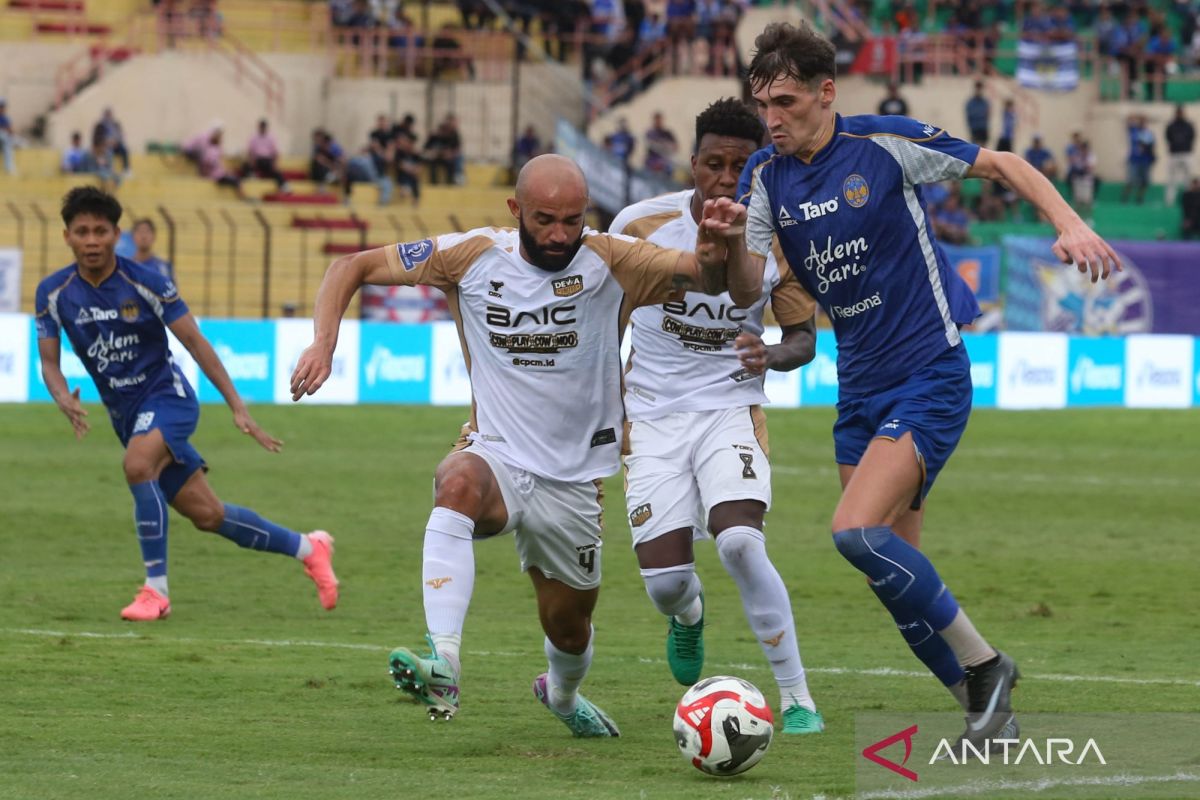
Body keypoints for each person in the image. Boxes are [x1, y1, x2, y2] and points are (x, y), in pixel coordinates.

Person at [736, 21, 1121, 755]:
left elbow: (1004, 163)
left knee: (854, 533)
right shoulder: (765, 177)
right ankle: (992, 724)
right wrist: (720, 248)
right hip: (858, 393)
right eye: (763, 106)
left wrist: (1068, 221)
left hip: (929, 373)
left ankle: (988, 666)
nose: (773, 119)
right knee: (895, 579)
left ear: (826, 93)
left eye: (785, 102)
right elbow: (749, 289)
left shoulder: (881, 147)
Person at [288, 154, 757, 735]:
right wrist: (323, 344)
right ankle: (446, 662)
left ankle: (561, 697)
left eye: (572, 219)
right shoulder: (472, 256)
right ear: (516, 211)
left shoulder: (614, 261)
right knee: (455, 483)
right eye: (545, 220)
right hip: (498, 454)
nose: (560, 234)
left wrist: (719, 251)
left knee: (569, 629)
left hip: (574, 482)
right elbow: (349, 265)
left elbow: (711, 281)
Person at [609, 97, 824, 734]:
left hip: (729, 408)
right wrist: (607, 403)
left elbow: (804, 337)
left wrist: (771, 353)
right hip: (649, 416)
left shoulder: (779, 238)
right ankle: (689, 616)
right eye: (714, 164)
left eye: (741, 165)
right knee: (667, 585)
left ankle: (796, 699)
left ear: (759, 167)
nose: (726, 179)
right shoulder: (641, 223)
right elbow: (607, 318)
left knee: (738, 541)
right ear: (693, 164)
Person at [35, 187, 339, 621]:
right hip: (127, 417)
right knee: (208, 514)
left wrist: (238, 406)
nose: (91, 240)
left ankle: (155, 592)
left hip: (168, 399)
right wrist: (62, 395)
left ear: (115, 234)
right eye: (81, 231)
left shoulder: (147, 281)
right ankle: (310, 548)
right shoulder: (53, 292)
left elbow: (195, 343)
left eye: (100, 231)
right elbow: (49, 363)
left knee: (138, 466)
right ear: (67, 237)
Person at [239, 118, 289, 192]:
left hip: (267, 161)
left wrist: (275, 163)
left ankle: (283, 186)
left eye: (264, 126)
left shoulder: (271, 138)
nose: (262, 128)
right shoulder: (253, 137)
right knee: (245, 165)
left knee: (276, 171)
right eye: (261, 126)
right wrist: (251, 160)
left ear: (266, 127)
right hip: (257, 160)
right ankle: (251, 176)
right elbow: (249, 151)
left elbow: (275, 152)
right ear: (259, 127)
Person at [1165, 104, 1195, 206]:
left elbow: (1192, 137)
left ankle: (1188, 201)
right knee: (1172, 179)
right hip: (1174, 154)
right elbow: (1168, 137)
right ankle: (1169, 201)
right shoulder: (1171, 125)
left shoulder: (1188, 125)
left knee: (1187, 179)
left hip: (1186, 153)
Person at [1122, 114, 1156, 204]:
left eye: (1143, 121)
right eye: (1140, 121)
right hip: (1134, 160)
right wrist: (1137, 115)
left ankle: (1140, 198)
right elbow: (1128, 120)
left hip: (1145, 161)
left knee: (1145, 181)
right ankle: (1125, 197)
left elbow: (1151, 147)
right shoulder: (1134, 131)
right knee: (1131, 180)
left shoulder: (1149, 134)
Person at [643, 111, 679, 176]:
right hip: (652, 160)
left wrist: (666, 145)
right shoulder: (650, 133)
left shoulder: (667, 133)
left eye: (660, 120)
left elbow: (675, 147)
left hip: (664, 160)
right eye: (657, 120)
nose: (658, 122)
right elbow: (648, 144)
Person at [964, 80, 990, 146]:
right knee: (975, 149)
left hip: (983, 128)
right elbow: (969, 116)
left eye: (980, 88)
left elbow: (988, 115)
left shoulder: (985, 102)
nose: (979, 90)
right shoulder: (970, 103)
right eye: (978, 88)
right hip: (975, 129)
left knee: (984, 149)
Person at [0, 98, 14, 174]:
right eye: (1, 107)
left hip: (4, 141)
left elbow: (10, 131)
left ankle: (8, 168)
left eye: (3, 107)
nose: (3, 109)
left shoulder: (5, 118)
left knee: (7, 147)